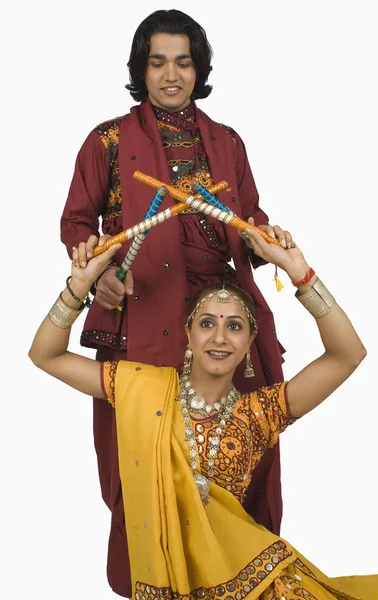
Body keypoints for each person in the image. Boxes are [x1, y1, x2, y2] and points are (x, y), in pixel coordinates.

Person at [29, 226, 378, 599]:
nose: (219, 338)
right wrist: (78, 288)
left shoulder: (259, 413)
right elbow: (45, 355)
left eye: (234, 326)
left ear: (250, 342)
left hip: (254, 586)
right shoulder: (140, 388)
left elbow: (348, 355)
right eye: (207, 323)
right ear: (188, 334)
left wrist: (299, 273)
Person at [60, 9, 291, 595]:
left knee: (241, 451)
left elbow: (247, 220)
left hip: (222, 321)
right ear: (140, 68)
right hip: (141, 317)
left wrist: (270, 242)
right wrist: (103, 272)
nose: (170, 74)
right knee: (141, 459)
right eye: (157, 61)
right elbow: (77, 223)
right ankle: (155, 582)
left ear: (199, 68)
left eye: (183, 61)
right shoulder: (107, 140)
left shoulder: (227, 141)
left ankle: (240, 577)